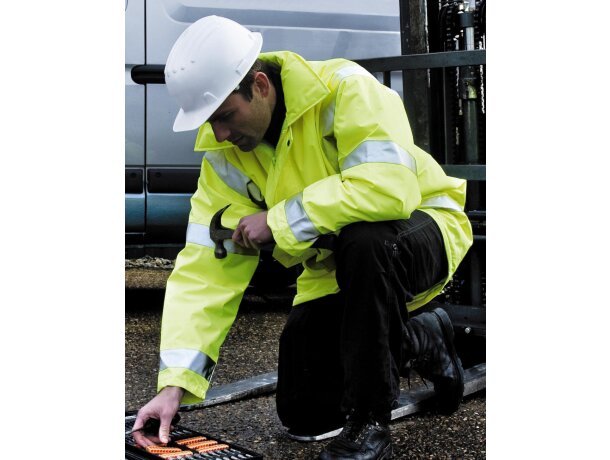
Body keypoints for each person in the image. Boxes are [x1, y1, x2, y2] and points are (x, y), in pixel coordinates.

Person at [132, 15, 473, 460]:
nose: (219, 134)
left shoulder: (348, 88)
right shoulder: (225, 157)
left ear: (259, 85)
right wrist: (173, 385)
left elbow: (389, 189)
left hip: (420, 232)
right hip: (336, 270)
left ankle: (370, 423)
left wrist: (277, 222)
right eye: (211, 122)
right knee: (305, 413)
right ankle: (422, 335)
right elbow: (205, 268)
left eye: (225, 116)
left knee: (366, 240)